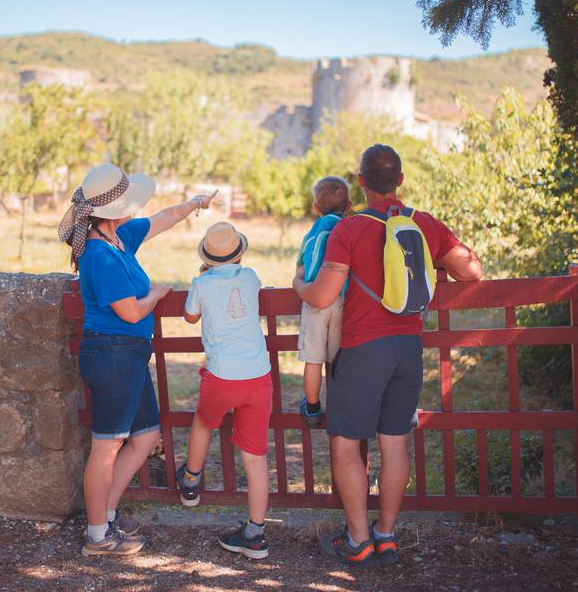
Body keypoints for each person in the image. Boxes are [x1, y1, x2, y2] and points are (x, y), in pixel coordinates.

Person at [293, 144, 482, 567]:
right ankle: (387, 535)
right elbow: (473, 270)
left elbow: (322, 295)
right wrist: (442, 266)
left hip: (362, 350)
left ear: (361, 183)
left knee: (346, 444)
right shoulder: (424, 223)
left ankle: (357, 540)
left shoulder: (350, 228)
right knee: (395, 442)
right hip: (407, 349)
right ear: (400, 180)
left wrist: (298, 287)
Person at [58, 163, 216, 556]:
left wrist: (196, 202)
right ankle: (97, 535)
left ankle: (106, 514)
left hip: (127, 355)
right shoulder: (100, 254)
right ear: (113, 210)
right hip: (111, 354)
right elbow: (130, 312)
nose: (135, 208)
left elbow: (162, 218)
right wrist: (158, 295)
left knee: (144, 437)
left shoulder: (119, 237)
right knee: (106, 447)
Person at [177, 222, 272, 560]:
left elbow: (190, 317)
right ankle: (256, 533)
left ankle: (191, 481)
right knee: (256, 457)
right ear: (240, 252)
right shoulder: (250, 277)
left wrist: (204, 277)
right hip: (258, 377)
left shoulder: (201, 284)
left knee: (204, 423)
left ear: (206, 257)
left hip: (222, 375)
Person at [296, 175, 351, 427]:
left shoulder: (313, 231)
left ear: (316, 208)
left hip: (315, 300)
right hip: (341, 298)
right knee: (337, 356)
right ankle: (340, 406)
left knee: (313, 358)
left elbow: (299, 268)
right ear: (348, 206)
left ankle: (312, 406)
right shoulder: (349, 228)